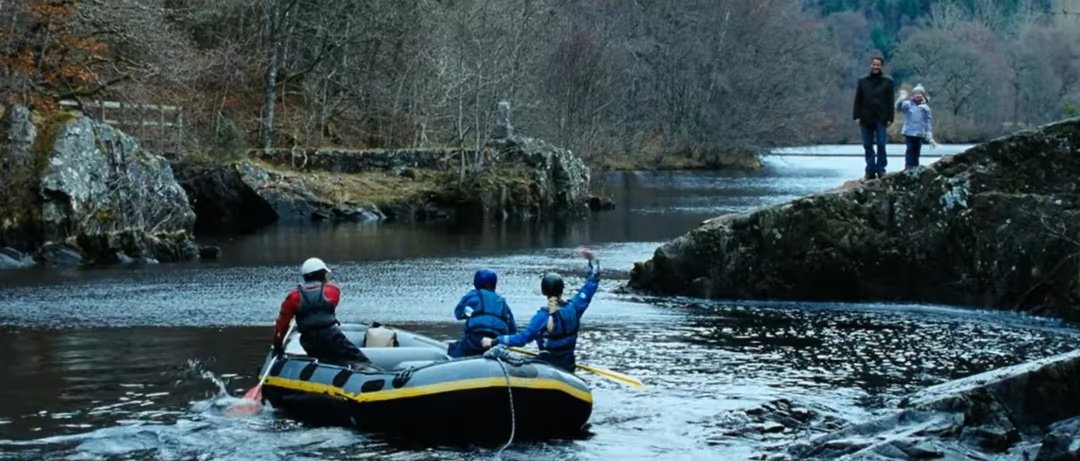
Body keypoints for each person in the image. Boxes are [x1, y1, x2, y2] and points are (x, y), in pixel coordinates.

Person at [481, 249, 600, 373]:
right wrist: (592, 260)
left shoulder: (541, 317)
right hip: (568, 366)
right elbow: (591, 284)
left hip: (548, 367)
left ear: (543, 292)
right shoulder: (575, 308)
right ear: (562, 289)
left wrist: (494, 341)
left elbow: (522, 339)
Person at [272, 257, 370, 366]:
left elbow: (281, 325)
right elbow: (331, 303)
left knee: (323, 361)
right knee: (362, 361)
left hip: (309, 341)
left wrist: (277, 346)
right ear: (322, 274)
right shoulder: (333, 290)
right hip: (332, 337)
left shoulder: (293, 297)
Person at [447, 268, 517, 358]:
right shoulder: (503, 303)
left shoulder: (473, 296)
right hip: (496, 342)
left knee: (453, 350)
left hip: (475, 341)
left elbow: (458, 314)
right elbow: (513, 331)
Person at [853, 56, 896, 180]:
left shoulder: (888, 82)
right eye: (874, 64)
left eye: (878, 65)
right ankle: (870, 170)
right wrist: (856, 116)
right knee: (867, 145)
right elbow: (858, 100)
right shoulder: (862, 81)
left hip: (881, 118)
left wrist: (890, 118)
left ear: (881, 66)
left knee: (881, 144)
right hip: (865, 118)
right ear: (870, 65)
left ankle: (881, 169)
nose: (875, 67)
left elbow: (890, 101)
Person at [894, 83, 936, 170]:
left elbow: (927, 122)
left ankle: (915, 168)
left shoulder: (925, 108)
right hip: (909, 132)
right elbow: (898, 108)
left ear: (922, 95)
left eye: (920, 93)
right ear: (913, 95)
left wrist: (930, 136)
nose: (918, 95)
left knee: (916, 152)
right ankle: (908, 167)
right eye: (916, 93)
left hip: (920, 133)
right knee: (910, 150)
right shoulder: (908, 104)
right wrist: (901, 98)